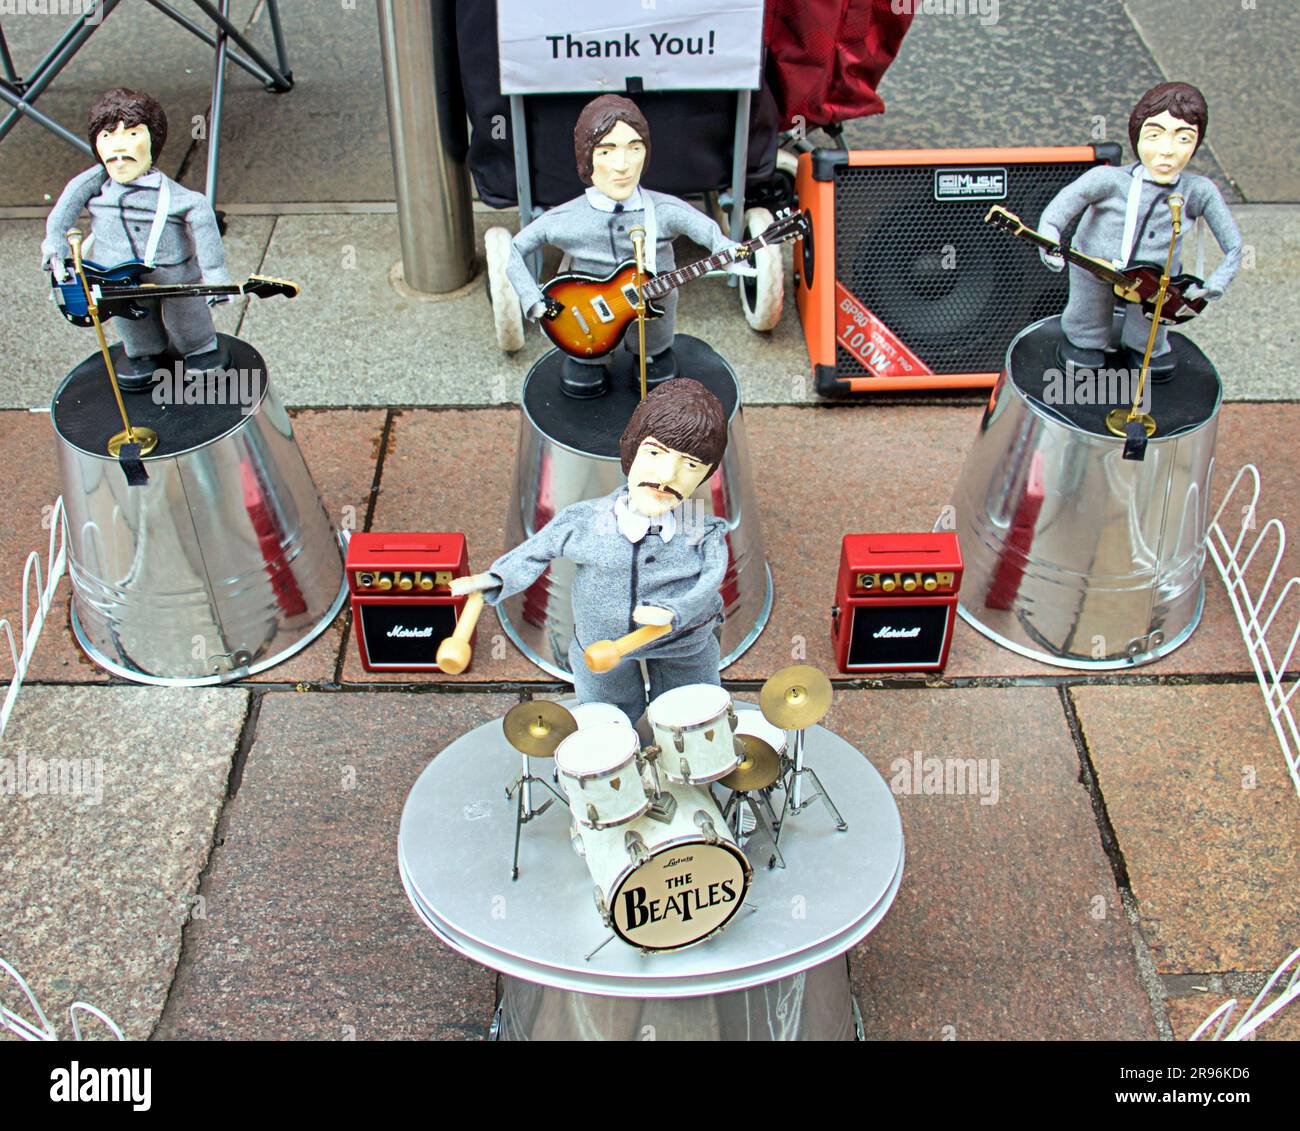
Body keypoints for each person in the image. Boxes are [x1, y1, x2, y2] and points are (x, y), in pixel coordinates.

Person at [452, 378, 730, 725]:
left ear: (706, 475)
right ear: (629, 449)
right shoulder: (584, 520)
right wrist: (496, 578)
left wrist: (675, 612)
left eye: (690, 465)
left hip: (684, 641)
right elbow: (536, 551)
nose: (666, 476)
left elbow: (708, 583)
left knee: (692, 712)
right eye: (655, 453)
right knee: (607, 717)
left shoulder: (702, 532)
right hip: (601, 642)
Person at [506, 93, 742, 395]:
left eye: (634, 148)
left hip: (654, 312)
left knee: (658, 365)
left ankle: (654, 354)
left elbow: (708, 232)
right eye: (607, 151)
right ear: (587, 157)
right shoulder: (564, 219)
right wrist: (534, 301)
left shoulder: (665, 210)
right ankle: (590, 360)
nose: (623, 165)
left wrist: (724, 247)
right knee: (584, 381)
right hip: (586, 323)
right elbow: (514, 250)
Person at [1037, 81, 1241, 375]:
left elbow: (1234, 246)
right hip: (1094, 266)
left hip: (1157, 280)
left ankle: (1145, 350)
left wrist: (1214, 284)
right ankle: (1086, 342)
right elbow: (1058, 211)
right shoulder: (1107, 179)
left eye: (1183, 139)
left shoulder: (1199, 190)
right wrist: (1049, 241)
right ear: (1137, 134)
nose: (1167, 151)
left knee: (1147, 336)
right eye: (1155, 135)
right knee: (1086, 319)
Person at [41, 87, 231, 385]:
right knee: (133, 323)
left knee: (187, 317)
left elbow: (203, 218)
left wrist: (216, 275)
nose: (118, 146)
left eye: (132, 134)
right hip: (114, 278)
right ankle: (144, 353)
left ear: (153, 142)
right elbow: (63, 212)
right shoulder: (93, 183)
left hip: (174, 274)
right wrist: (55, 246)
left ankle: (199, 349)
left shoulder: (177, 197)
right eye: (107, 135)